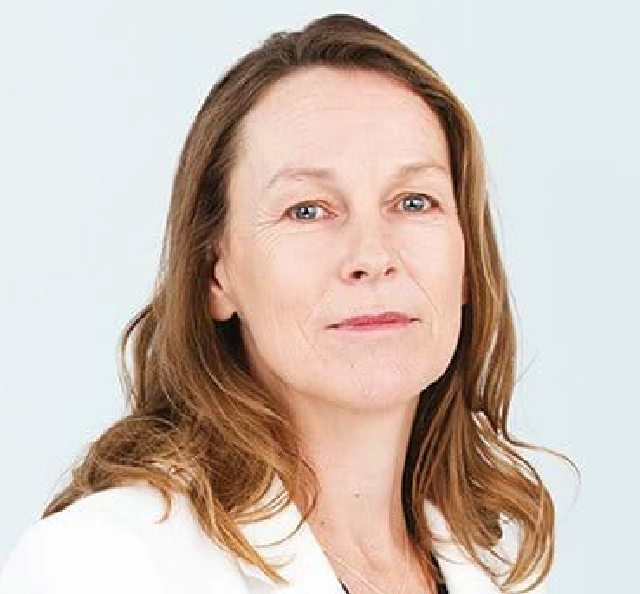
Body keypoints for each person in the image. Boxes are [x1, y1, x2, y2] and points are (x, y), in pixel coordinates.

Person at [0, 13, 568, 594]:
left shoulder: (498, 564)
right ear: (215, 275)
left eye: (414, 202)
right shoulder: (103, 562)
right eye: (307, 210)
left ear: (469, 261)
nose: (373, 256)